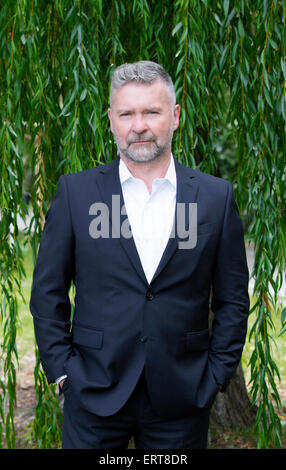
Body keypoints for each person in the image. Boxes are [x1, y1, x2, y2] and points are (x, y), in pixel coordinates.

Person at [30, 60, 249, 449]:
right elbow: (48, 292)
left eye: (152, 111)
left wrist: (216, 375)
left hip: (182, 396)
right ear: (111, 120)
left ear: (175, 116)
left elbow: (232, 299)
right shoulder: (76, 194)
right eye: (127, 113)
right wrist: (63, 371)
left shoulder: (214, 198)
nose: (139, 125)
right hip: (93, 391)